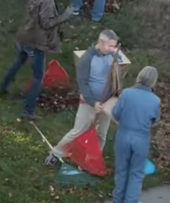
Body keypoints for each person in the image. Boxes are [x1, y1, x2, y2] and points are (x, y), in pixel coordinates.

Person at [0, 0, 77, 123]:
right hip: (35, 42)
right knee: (38, 77)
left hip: (24, 37)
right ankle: (28, 111)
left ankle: (3, 89)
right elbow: (47, 23)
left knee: (17, 63)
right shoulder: (47, 1)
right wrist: (66, 15)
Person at [45, 29, 122, 167]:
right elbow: (83, 83)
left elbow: (117, 73)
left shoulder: (112, 55)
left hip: (107, 102)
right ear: (101, 43)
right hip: (89, 102)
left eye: (114, 46)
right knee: (78, 131)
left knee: (101, 134)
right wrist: (93, 102)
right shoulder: (87, 58)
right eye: (110, 45)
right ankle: (55, 153)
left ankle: (93, 159)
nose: (113, 48)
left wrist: (117, 58)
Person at [109, 66, 161, 203]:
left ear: (139, 76)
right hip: (141, 138)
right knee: (136, 171)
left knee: (121, 168)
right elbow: (155, 120)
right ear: (153, 81)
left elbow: (116, 113)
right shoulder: (155, 100)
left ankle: (118, 197)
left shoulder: (126, 93)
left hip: (123, 135)